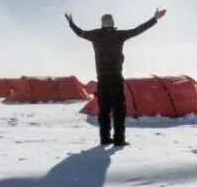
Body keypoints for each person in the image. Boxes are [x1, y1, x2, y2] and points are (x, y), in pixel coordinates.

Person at [65, 8, 166, 147]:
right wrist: (154, 19)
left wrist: (71, 23)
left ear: (102, 24)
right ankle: (119, 139)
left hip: (102, 80)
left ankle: (104, 138)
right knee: (119, 109)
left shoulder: (95, 35)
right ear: (112, 24)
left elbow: (79, 32)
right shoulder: (119, 35)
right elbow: (138, 30)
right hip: (115, 79)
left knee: (104, 111)